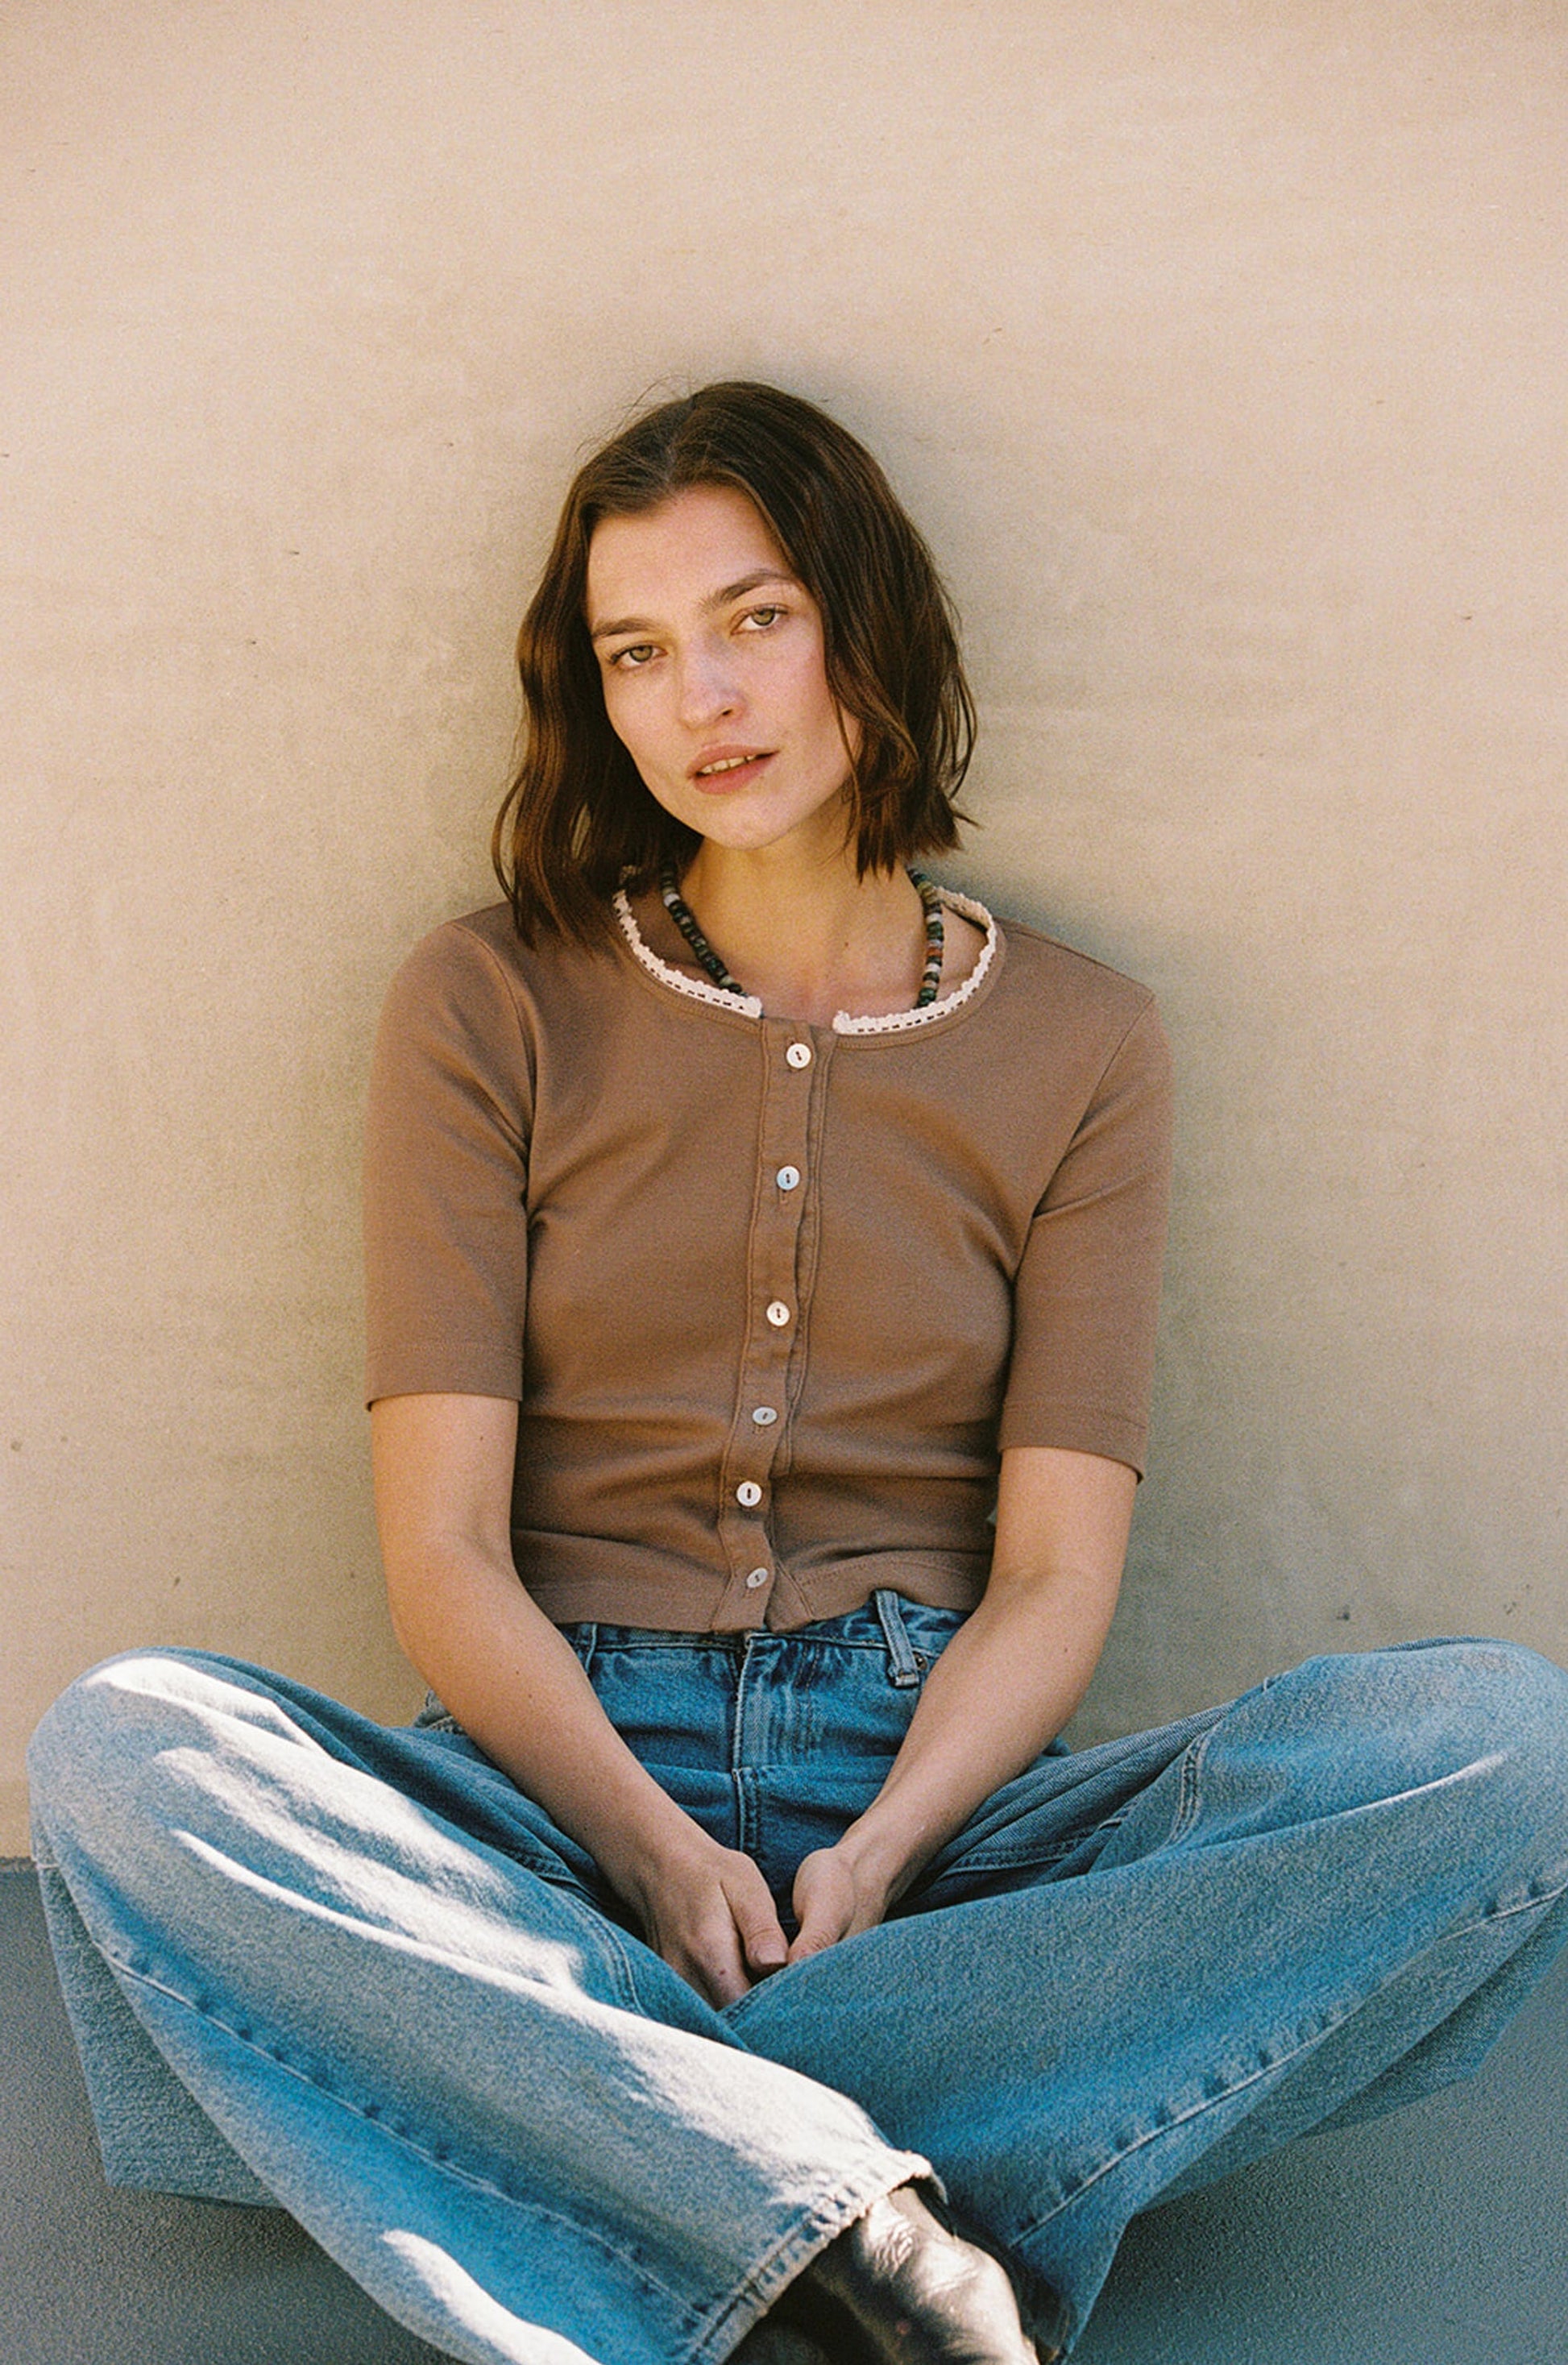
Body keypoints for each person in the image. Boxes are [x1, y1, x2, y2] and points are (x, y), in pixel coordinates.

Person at [27, 381, 1568, 2365]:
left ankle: (602, 2118)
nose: (702, 698)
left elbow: (1053, 1577)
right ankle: (861, 2234)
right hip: (547, 1800)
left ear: (861, 621)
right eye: (637, 651)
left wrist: (888, 1846)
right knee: (126, 1751)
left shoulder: (1088, 1043)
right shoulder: (485, 997)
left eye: (754, 619)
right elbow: (443, 1555)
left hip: (932, 1814)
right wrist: (652, 1850)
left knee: (1497, 1751)